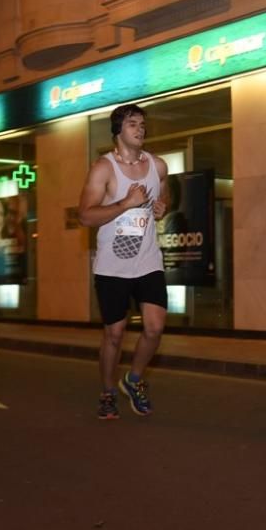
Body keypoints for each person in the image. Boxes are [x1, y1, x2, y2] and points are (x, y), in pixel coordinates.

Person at [79, 104, 169, 420]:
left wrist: (160, 209)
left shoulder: (158, 166)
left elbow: (164, 199)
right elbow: (85, 215)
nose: (140, 129)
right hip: (111, 267)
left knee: (155, 328)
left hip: (148, 261)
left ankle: (133, 380)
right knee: (114, 335)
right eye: (133, 124)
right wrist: (124, 203)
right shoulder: (103, 168)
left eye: (143, 124)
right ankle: (107, 391)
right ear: (118, 130)